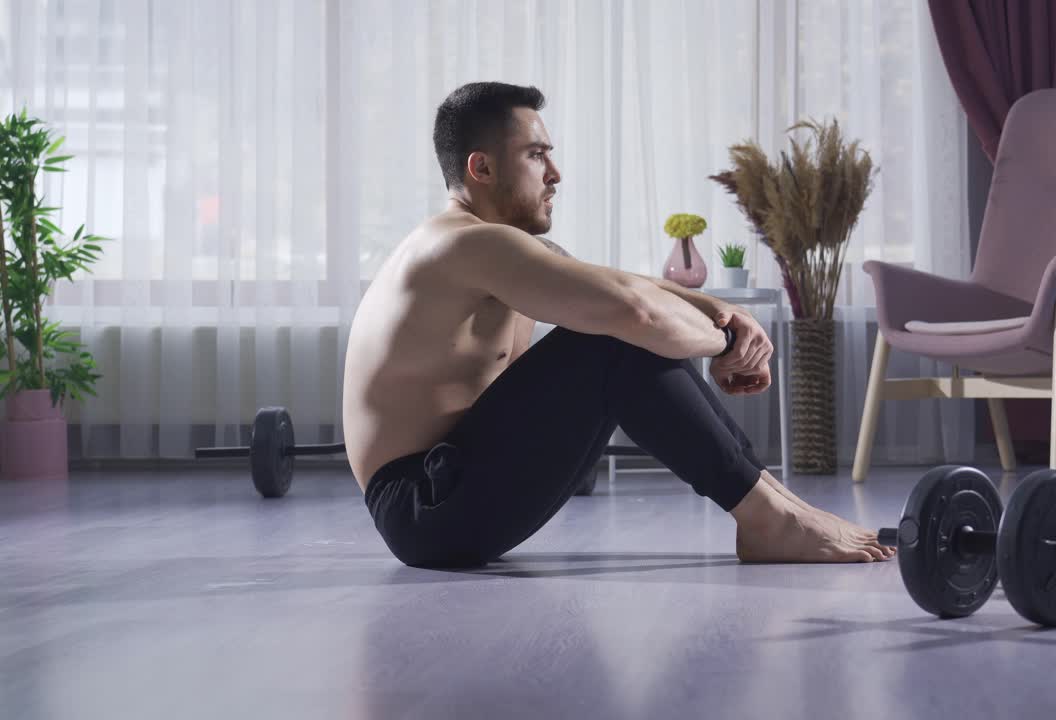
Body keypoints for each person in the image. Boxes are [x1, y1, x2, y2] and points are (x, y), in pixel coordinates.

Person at [342, 81, 895, 569]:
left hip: (451, 491)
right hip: (422, 506)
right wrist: (725, 342)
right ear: (481, 168)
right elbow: (635, 312)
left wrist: (726, 314)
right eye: (537, 156)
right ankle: (770, 517)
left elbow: (626, 285)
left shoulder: (489, 247)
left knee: (619, 323)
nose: (555, 174)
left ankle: (780, 508)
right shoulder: (466, 244)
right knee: (615, 338)